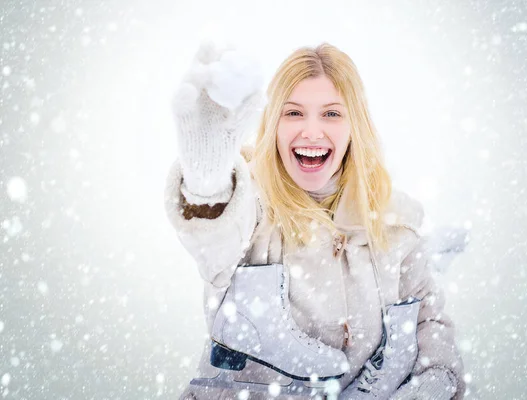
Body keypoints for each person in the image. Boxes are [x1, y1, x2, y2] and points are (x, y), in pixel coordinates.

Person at [165, 41, 465, 399]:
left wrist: (433, 384)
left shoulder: (395, 222)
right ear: (273, 123)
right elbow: (213, 233)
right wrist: (206, 178)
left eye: (332, 114)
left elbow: (428, 323)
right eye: (293, 113)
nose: (311, 131)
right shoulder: (251, 207)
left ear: (355, 125)